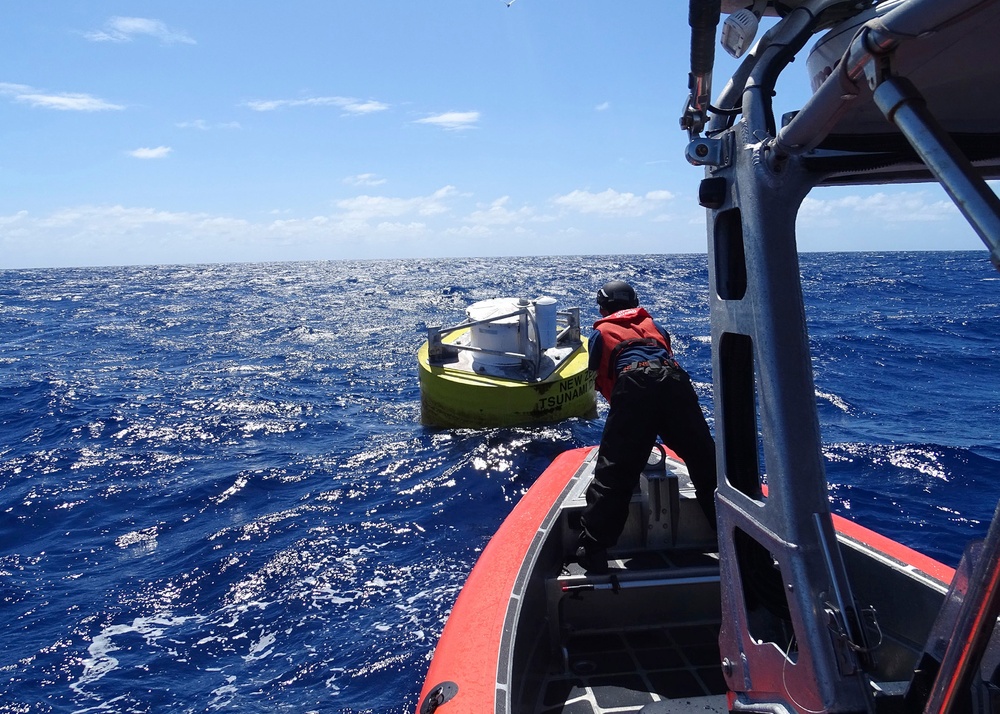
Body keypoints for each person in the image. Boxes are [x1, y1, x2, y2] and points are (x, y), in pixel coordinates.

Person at [576, 280, 717, 573]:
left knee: (614, 473)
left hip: (634, 385)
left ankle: (593, 550)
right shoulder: (656, 327)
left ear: (603, 307)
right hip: (676, 381)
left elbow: (602, 379)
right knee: (707, 464)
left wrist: (631, 421)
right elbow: (665, 358)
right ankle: (739, 541)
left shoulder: (600, 334)